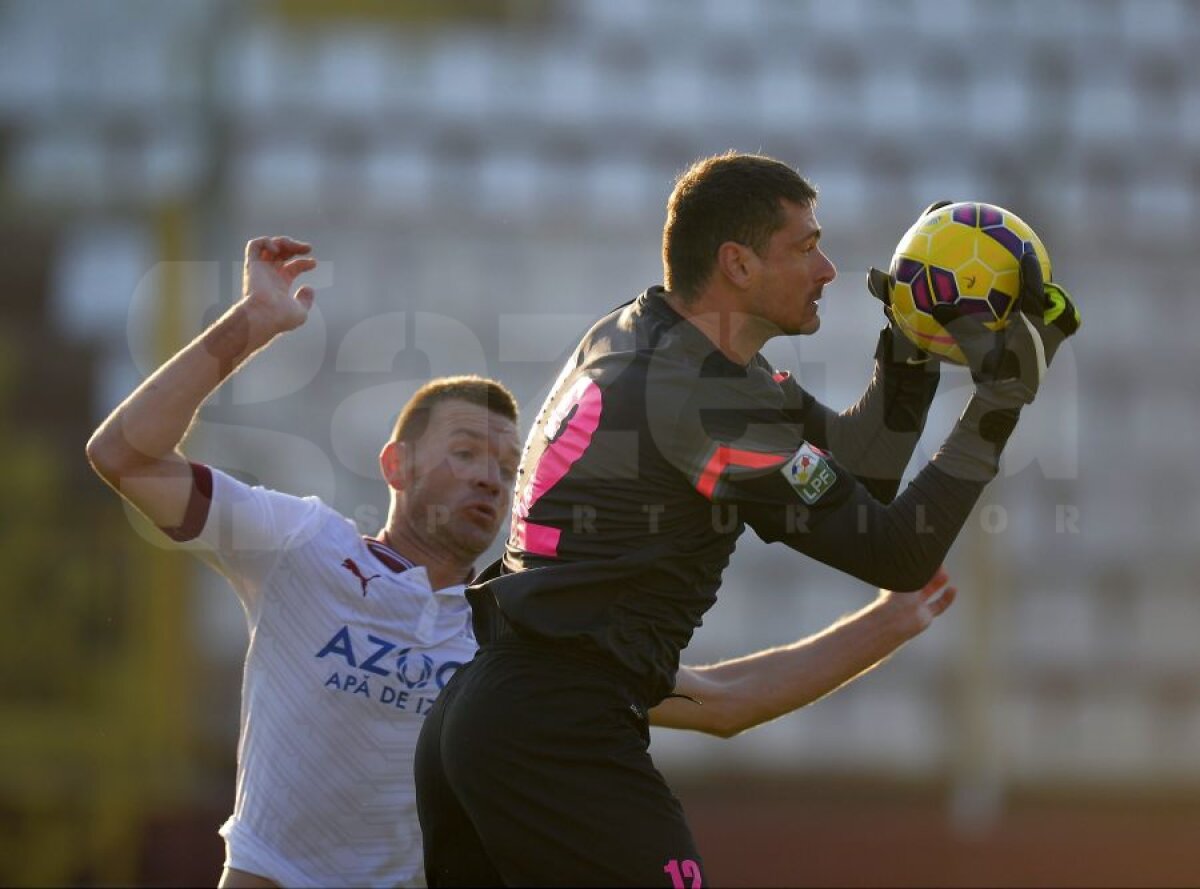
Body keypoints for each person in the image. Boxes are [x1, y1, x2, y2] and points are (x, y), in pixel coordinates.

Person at [86, 235, 959, 888]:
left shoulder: (516, 637)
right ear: (395, 462)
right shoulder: (305, 550)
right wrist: (247, 326)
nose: (489, 478)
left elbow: (726, 700)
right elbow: (125, 457)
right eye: (465, 451)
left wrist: (888, 619)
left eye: (508, 467)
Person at [414, 153, 1081, 887]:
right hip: (552, 730)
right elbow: (898, 553)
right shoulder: (707, 401)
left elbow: (860, 469)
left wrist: (911, 345)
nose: (828, 268)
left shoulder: (652, 339)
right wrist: (999, 404)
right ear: (736, 262)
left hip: (484, 714)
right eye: (804, 246)